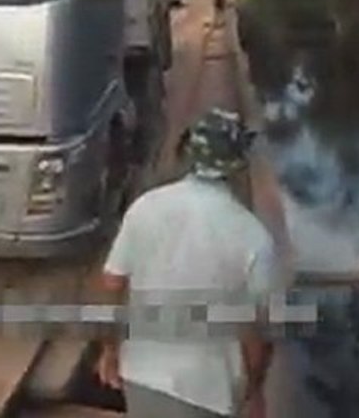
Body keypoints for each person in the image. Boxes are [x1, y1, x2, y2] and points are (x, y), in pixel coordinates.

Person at [96, 109, 281, 418]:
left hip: (142, 373)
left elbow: (112, 285)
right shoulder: (253, 237)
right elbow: (257, 331)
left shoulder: (145, 207)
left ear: (188, 155)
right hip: (209, 391)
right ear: (237, 166)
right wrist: (254, 391)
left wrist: (110, 350)